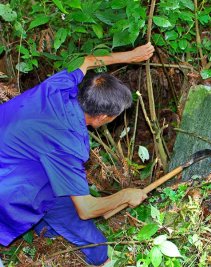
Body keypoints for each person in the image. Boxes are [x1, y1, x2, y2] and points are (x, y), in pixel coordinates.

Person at [0, 42, 155, 266]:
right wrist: (125, 195)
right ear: (103, 117)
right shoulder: (67, 144)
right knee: (83, 228)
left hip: (13, 157)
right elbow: (86, 209)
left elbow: (86, 60)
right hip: (8, 185)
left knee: (56, 195)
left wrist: (131, 56)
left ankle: (43, 226)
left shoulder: (60, 87)